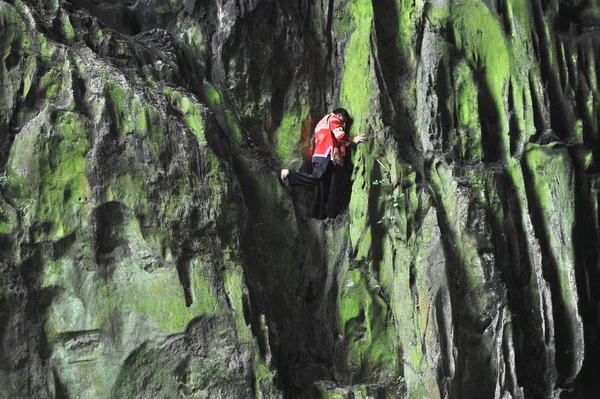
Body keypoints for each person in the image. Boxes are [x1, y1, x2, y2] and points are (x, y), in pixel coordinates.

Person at [280, 108, 367, 219]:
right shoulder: (334, 119)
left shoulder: (322, 122)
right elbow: (339, 135)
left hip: (320, 155)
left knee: (323, 187)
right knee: (316, 178)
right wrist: (353, 140)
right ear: (339, 115)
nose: (343, 124)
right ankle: (290, 174)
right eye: (343, 121)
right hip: (325, 155)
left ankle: (319, 214)